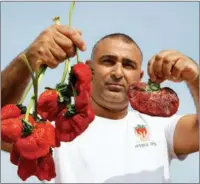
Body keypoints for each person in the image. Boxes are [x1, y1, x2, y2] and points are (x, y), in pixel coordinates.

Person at [1, 24, 199, 183]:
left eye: (128, 65)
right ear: (88, 70)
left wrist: (195, 78)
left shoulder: (160, 126)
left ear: (139, 77)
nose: (118, 72)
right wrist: (27, 59)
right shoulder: (51, 129)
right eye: (108, 61)